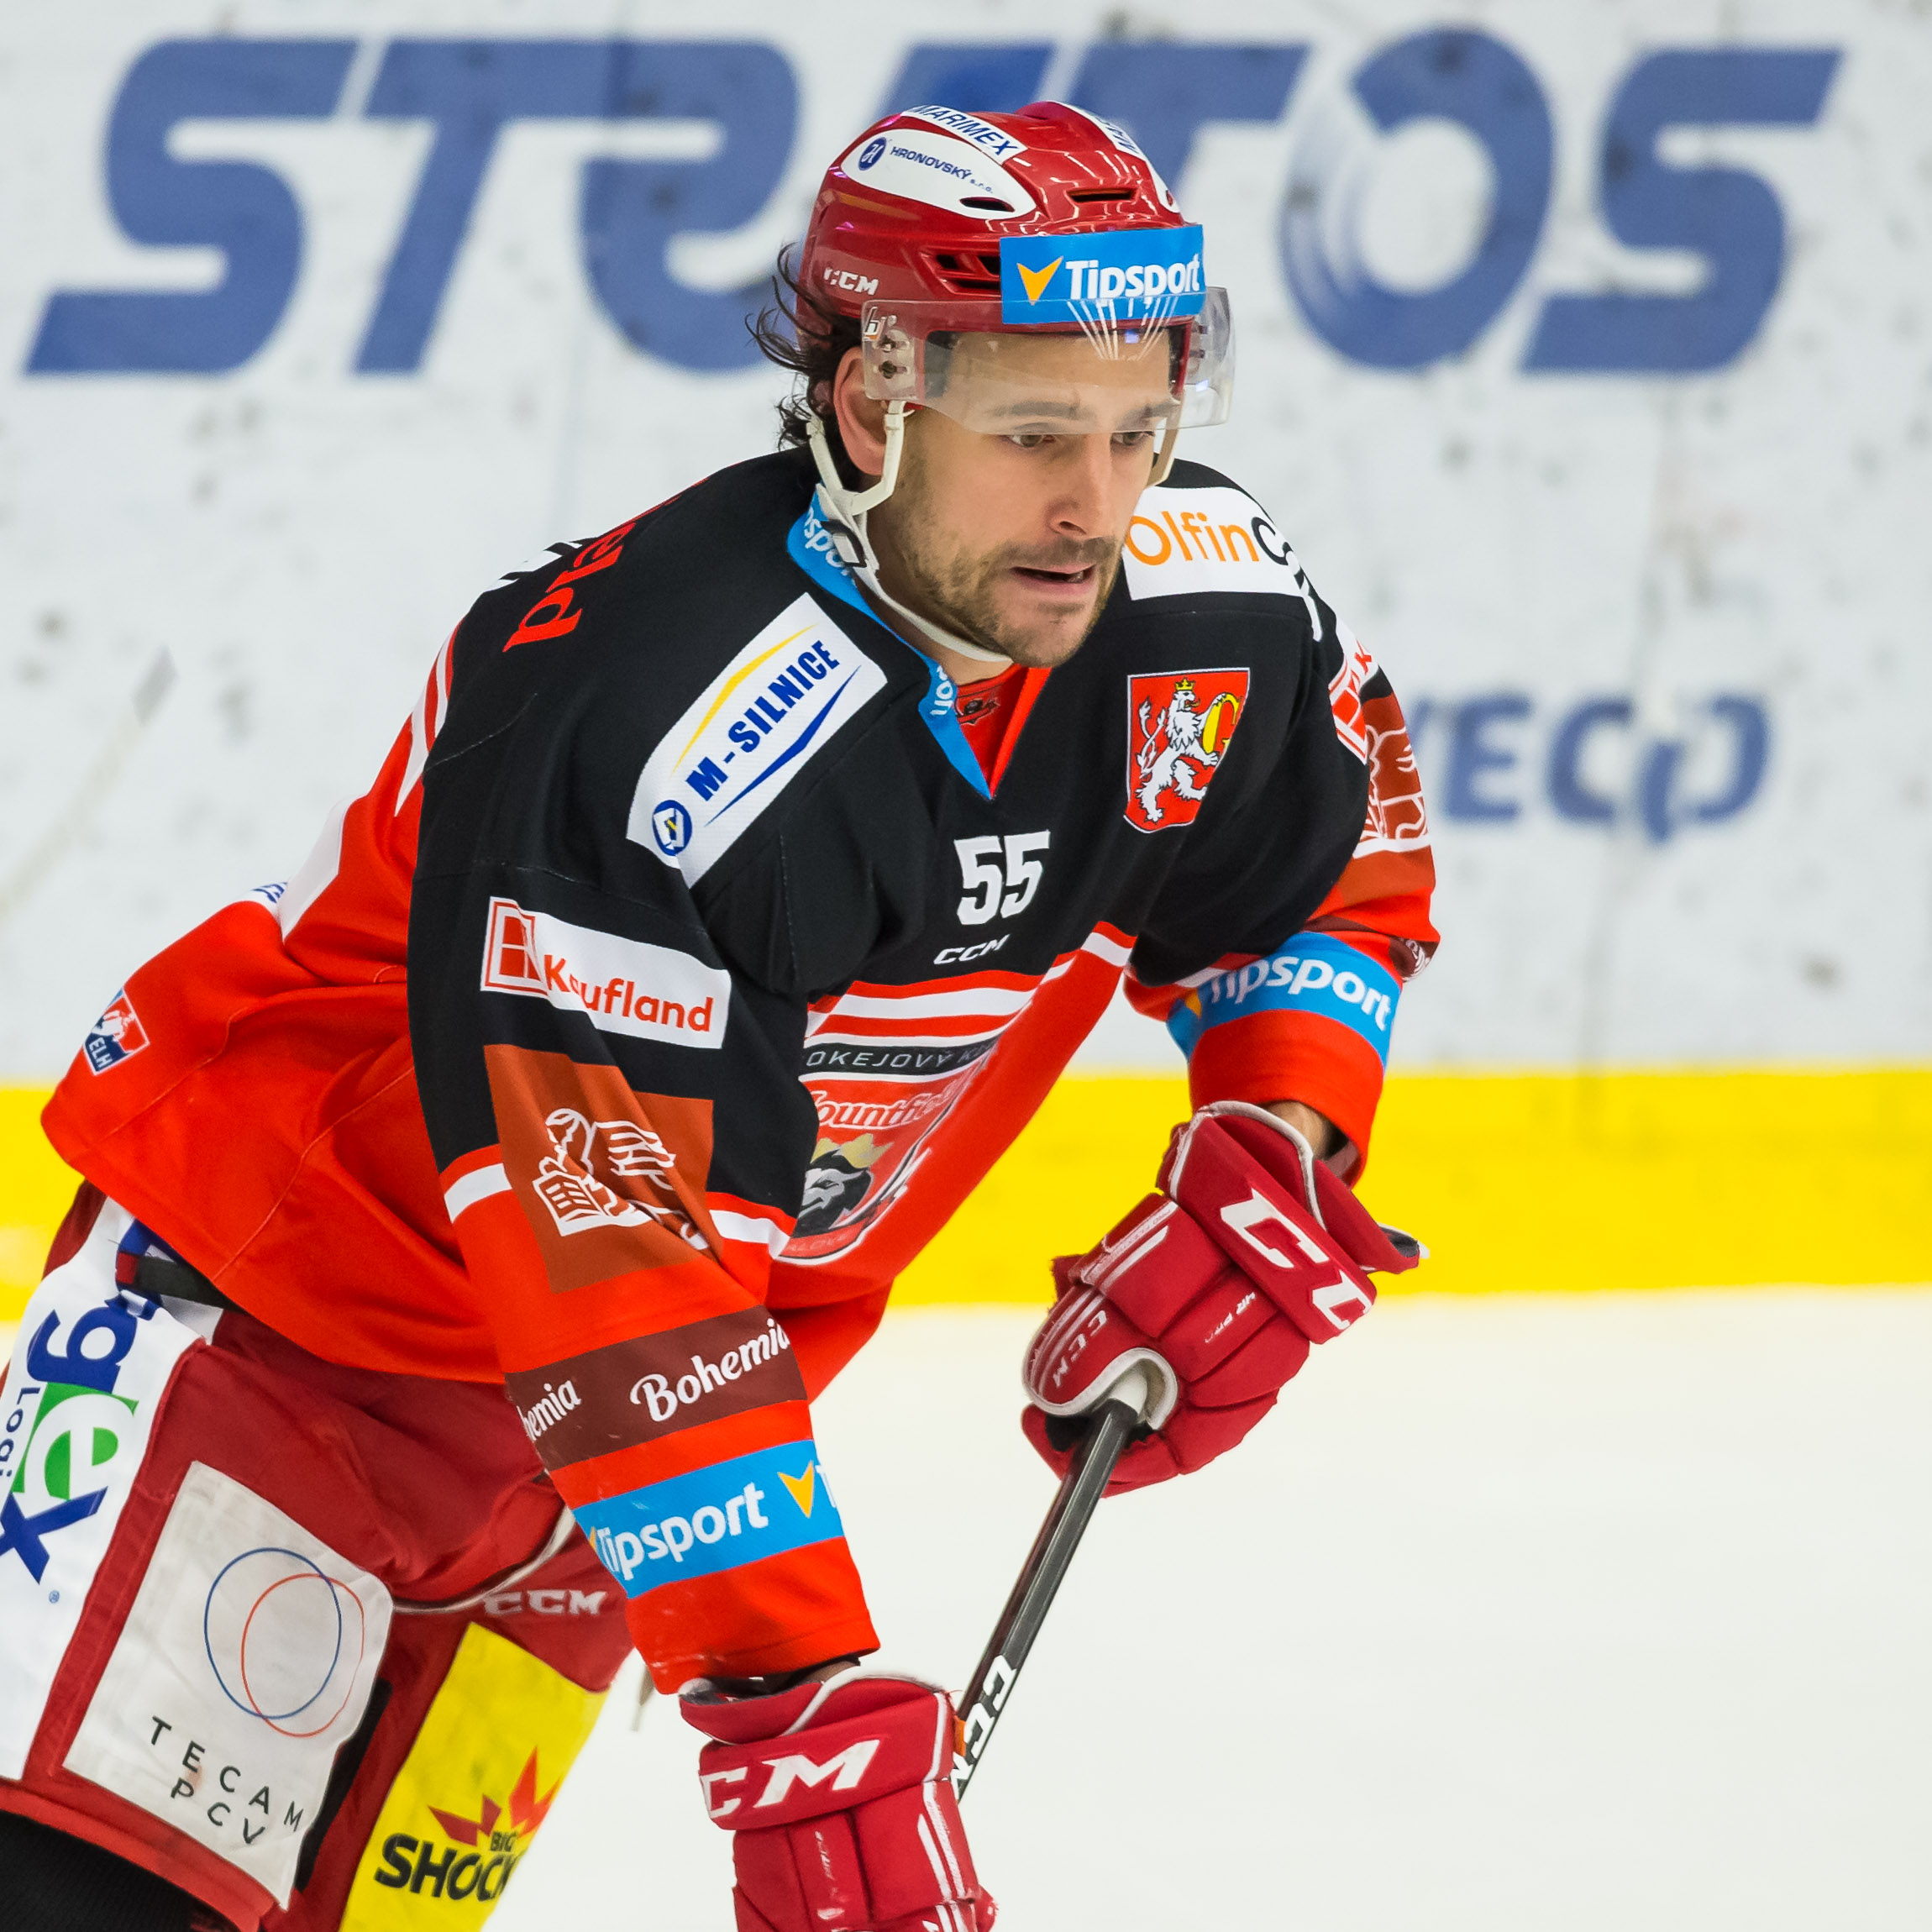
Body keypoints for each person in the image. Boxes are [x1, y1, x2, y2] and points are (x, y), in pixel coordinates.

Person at [0, 100, 1436, 1932]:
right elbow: (611, 1251)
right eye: (1031, 436)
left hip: (601, 1499)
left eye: (1136, 427)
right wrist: (793, 1692)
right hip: (273, 1360)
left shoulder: (1209, 618)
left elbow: (1321, 868)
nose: (1097, 503)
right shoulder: (648, 710)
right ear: (872, 403)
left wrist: (1277, 1126)